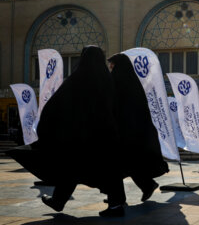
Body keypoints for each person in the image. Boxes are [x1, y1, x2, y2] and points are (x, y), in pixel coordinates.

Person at [7, 46, 126, 217]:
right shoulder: (108, 80)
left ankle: (58, 201)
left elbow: (55, 106)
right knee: (108, 170)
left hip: (80, 137)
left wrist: (47, 126)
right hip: (105, 136)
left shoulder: (78, 79)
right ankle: (115, 205)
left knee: (71, 168)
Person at [107, 53, 169, 204]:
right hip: (135, 132)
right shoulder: (133, 82)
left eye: (112, 65)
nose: (110, 68)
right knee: (128, 163)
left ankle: (117, 198)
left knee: (119, 164)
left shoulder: (117, 80)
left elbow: (114, 106)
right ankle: (145, 186)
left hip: (123, 132)